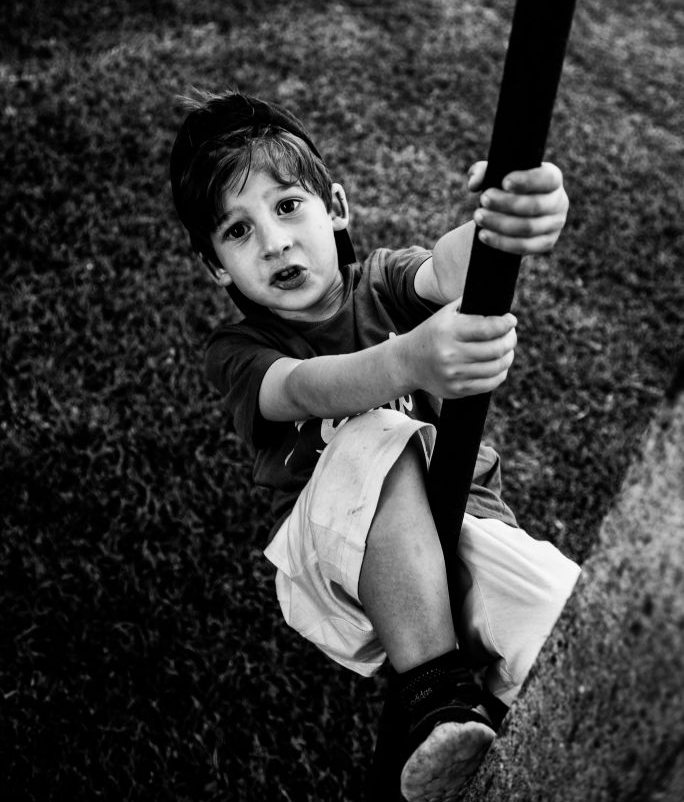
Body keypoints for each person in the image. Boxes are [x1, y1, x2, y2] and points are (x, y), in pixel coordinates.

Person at [170, 91, 580, 802]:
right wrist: (406, 361)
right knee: (373, 429)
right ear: (216, 267)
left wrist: (505, 221)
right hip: (341, 559)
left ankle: (478, 728)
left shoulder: (386, 282)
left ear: (335, 207)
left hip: (465, 530)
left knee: (564, 619)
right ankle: (434, 691)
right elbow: (304, 389)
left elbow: (450, 269)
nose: (274, 242)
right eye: (238, 231)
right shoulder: (238, 351)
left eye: (287, 206)